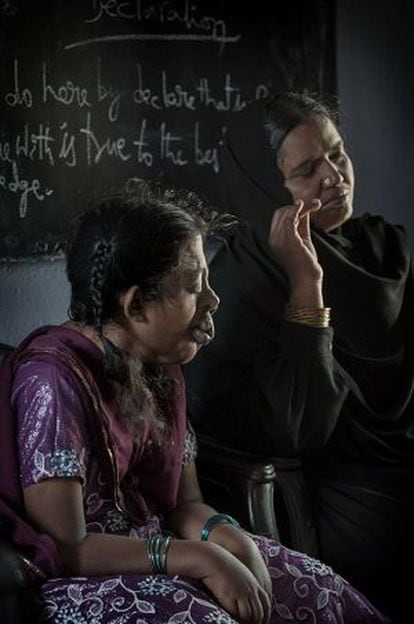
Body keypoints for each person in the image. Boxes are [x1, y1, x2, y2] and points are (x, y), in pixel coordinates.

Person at [0, 181, 388, 624]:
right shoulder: (53, 380)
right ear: (136, 305)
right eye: (194, 287)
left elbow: (184, 505)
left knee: (318, 590)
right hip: (88, 581)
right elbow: (69, 549)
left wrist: (227, 538)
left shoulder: (159, 365)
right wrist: (200, 559)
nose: (213, 301)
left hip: (165, 552)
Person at [184, 92, 414, 623]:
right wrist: (306, 284)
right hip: (339, 486)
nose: (335, 176)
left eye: (338, 154)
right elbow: (300, 430)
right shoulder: (240, 286)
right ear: (265, 190)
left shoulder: (384, 250)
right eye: (307, 169)